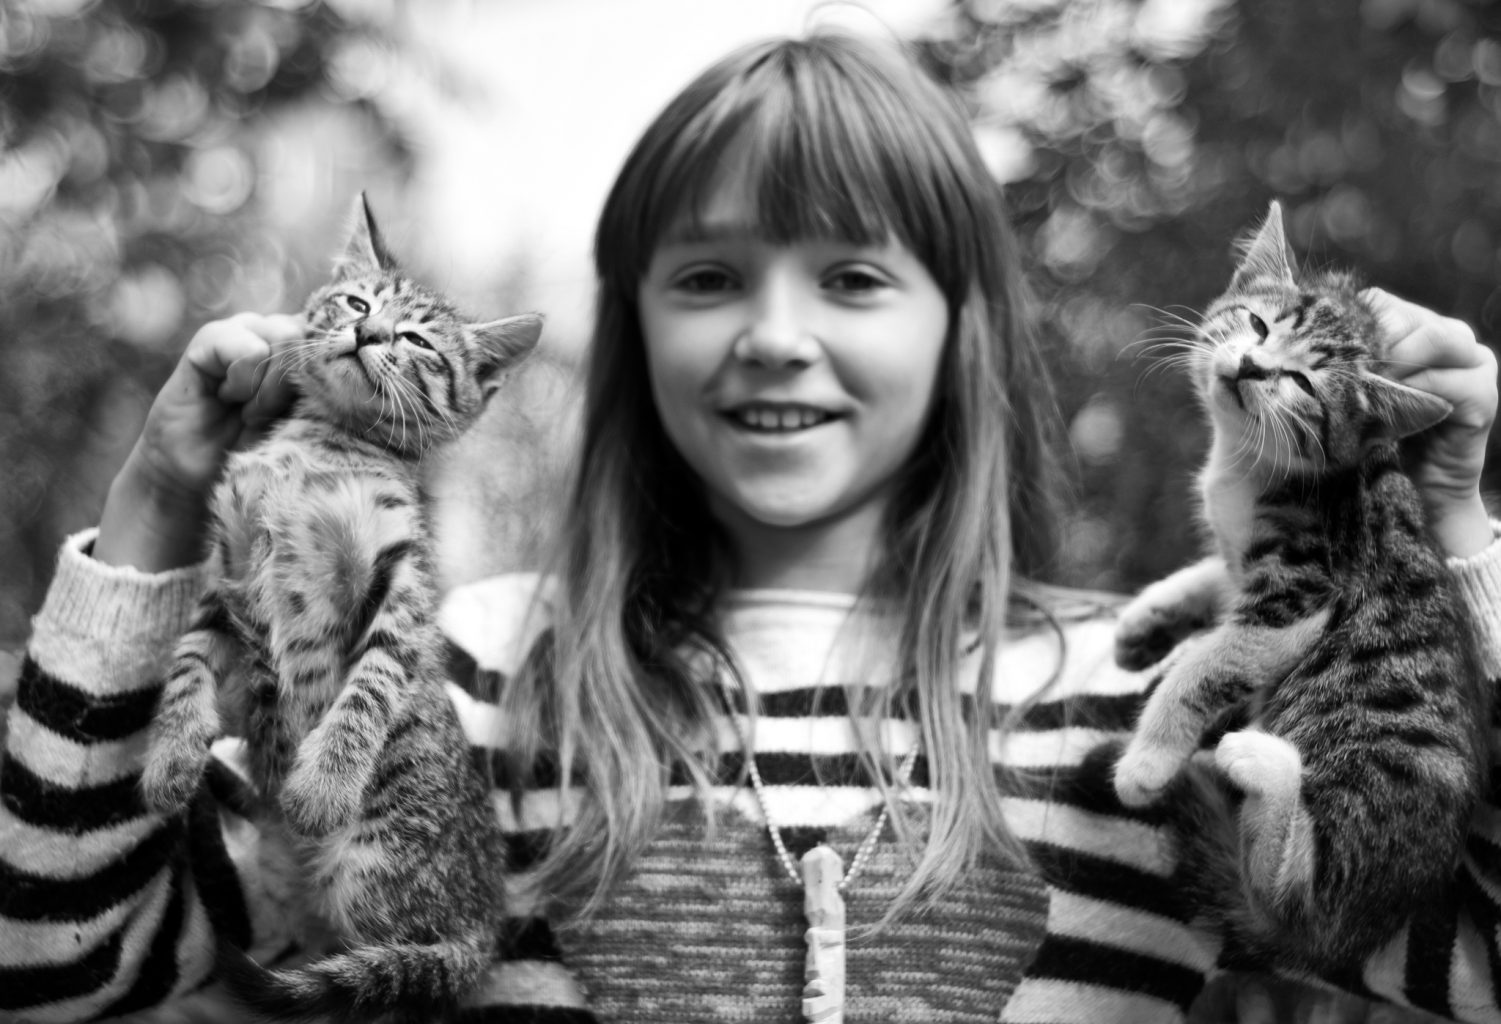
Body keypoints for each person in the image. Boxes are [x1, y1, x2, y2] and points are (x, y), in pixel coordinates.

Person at [3, 31, 1499, 1024]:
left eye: (853, 278)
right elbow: (54, 964)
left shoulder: (1147, 696)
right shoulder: (473, 669)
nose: (775, 337)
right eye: (709, 277)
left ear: (963, 332)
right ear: (633, 328)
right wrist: (154, 525)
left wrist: (1453, 553)